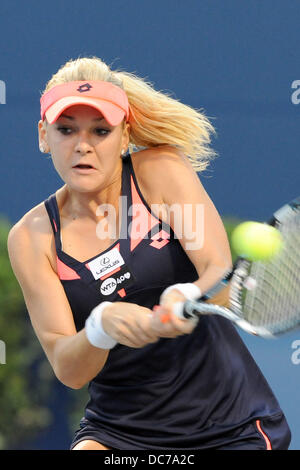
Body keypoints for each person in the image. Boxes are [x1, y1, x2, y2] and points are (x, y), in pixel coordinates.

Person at [8, 57, 291, 450]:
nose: (82, 146)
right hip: (120, 430)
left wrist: (187, 294)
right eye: (66, 130)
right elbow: (69, 368)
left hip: (229, 424)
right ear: (43, 135)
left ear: (124, 136)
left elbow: (216, 265)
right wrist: (100, 327)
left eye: (101, 131)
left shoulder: (159, 171)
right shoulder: (32, 237)